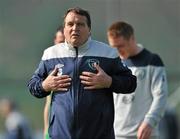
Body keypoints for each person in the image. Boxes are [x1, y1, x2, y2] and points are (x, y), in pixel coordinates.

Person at [28, 7, 136, 139]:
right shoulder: (50, 54)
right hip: (60, 135)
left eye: (80, 24)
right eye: (70, 24)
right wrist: (45, 85)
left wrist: (109, 81)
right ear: (65, 29)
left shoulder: (107, 53)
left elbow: (131, 83)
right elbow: (33, 86)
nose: (75, 28)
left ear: (89, 29)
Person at [107, 21, 168, 139]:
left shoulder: (152, 61)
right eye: (113, 47)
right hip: (117, 134)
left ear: (132, 39)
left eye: (120, 46)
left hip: (145, 134)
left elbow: (161, 96)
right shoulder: (113, 63)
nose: (117, 51)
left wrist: (150, 122)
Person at [43, 26, 65, 139]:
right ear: (55, 41)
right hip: (53, 130)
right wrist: (46, 130)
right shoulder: (50, 67)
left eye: (65, 42)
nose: (62, 45)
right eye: (60, 41)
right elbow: (48, 103)